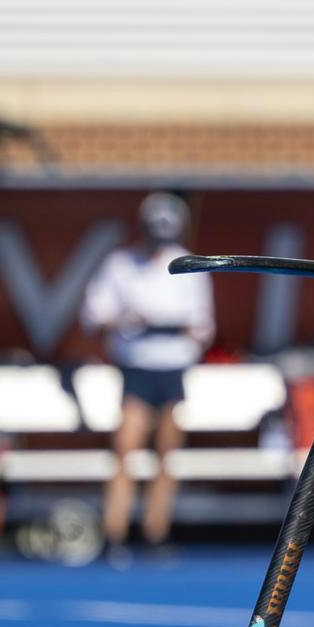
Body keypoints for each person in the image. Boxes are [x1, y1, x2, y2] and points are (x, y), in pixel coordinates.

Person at [79, 192, 212, 553]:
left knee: (166, 454)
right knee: (126, 449)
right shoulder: (120, 264)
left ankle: (156, 533)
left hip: (172, 369)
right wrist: (127, 321)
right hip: (136, 368)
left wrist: (171, 327)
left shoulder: (188, 265)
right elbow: (93, 314)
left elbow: (202, 326)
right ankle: (115, 533)